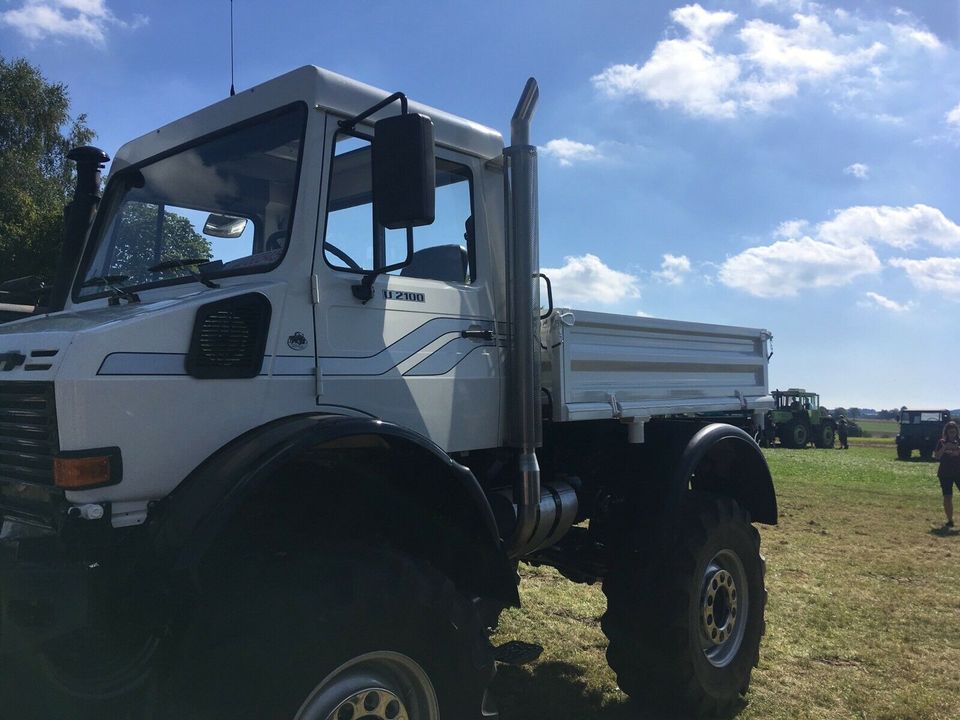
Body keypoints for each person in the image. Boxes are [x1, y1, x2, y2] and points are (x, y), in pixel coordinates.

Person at [934, 420, 960, 529]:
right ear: (946, 432)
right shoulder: (942, 442)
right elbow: (937, 456)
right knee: (947, 497)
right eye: (950, 432)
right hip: (945, 473)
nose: (952, 434)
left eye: (954, 432)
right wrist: (945, 447)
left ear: (957, 432)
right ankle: (950, 520)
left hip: (958, 472)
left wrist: (956, 452)